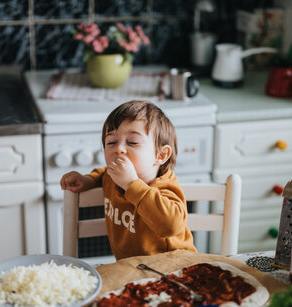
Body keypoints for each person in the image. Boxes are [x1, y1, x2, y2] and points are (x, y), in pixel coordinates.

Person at [61, 100, 196, 260]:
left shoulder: (165, 186)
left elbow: (171, 226)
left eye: (132, 142)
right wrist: (89, 180)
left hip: (173, 266)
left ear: (160, 155)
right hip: (132, 269)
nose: (118, 149)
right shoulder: (112, 176)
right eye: (111, 142)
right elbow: (103, 173)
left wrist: (131, 184)